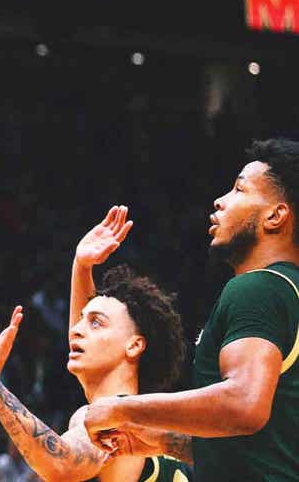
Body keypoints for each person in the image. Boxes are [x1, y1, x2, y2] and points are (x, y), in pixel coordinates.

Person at [83, 140, 299, 482]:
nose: (221, 200)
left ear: (275, 216)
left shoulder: (259, 287)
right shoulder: (287, 292)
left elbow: (245, 405)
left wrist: (122, 408)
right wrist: (163, 440)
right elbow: (268, 445)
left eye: (239, 189)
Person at [0, 206, 189, 482]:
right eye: (81, 321)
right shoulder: (154, 425)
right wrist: (82, 267)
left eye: (96, 323)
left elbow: (60, 465)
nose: (76, 330)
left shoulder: (112, 416)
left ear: (134, 346)